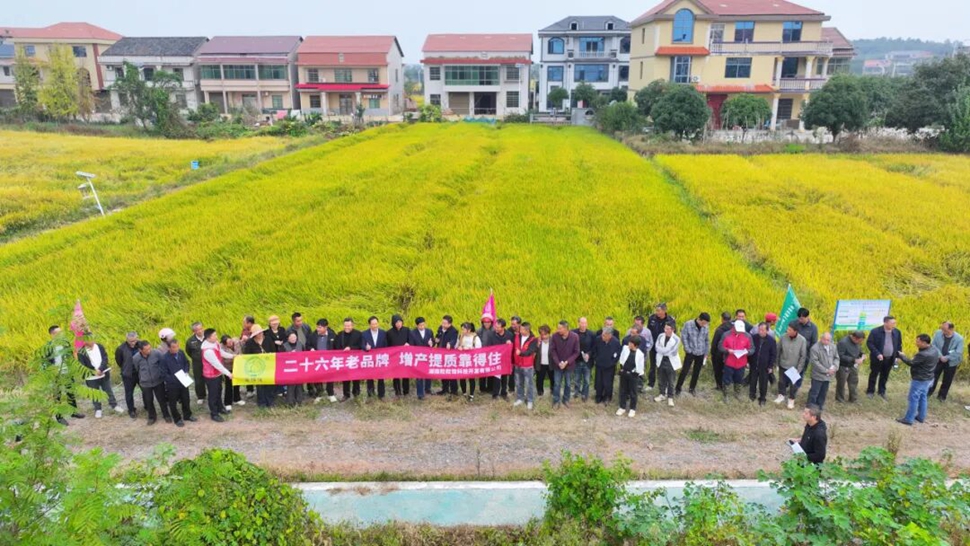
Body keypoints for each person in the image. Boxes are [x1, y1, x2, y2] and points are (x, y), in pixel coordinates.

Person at [896, 334, 940, 426]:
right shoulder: (934, 349)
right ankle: (921, 417)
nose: (916, 343)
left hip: (920, 379)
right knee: (923, 397)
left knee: (913, 398)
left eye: (918, 342)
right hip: (929, 378)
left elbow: (911, 363)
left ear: (924, 343)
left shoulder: (923, 354)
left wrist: (902, 356)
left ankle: (909, 419)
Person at [78, 335, 121, 418]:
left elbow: (105, 358)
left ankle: (114, 405)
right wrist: (94, 372)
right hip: (91, 377)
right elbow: (82, 365)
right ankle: (98, 409)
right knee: (94, 393)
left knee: (108, 390)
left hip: (103, 373)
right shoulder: (81, 352)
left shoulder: (99, 346)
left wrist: (101, 369)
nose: (92, 341)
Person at [132, 340, 170, 425]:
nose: (149, 350)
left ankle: (166, 415)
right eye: (147, 349)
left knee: (162, 399)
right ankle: (152, 417)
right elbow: (137, 369)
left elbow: (162, 364)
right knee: (149, 401)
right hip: (145, 384)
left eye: (150, 348)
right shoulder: (136, 358)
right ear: (140, 350)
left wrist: (160, 374)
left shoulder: (156, 353)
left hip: (158, 381)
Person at [160, 339, 195, 427]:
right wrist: (173, 379)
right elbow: (164, 373)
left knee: (186, 399)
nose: (176, 349)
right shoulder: (164, 358)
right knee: (173, 402)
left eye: (177, 346)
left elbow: (186, 363)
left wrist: (186, 371)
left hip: (183, 381)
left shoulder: (181, 353)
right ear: (169, 348)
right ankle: (177, 418)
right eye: (174, 347)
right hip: (172, 385)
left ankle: (187, 415)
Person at [866, 316, 902, 400]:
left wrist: (898, 356)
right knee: (874, 374)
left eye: (895, 323)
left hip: (890, 358)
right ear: (885, 323)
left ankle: (881, 391)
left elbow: (899, 345)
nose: (894, 325)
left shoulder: (897, 332)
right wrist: (877, 353)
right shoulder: (875, 331)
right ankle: (870, 391)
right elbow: (870, 343)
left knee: (885, 375)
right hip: (877, 358)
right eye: (892, 323)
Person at [201, 328, 233, 422]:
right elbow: (217, 364)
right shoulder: (208, 351)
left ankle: (220, 408)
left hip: (217, 374)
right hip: (211, 376)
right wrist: (228, 373)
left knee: (219, 391)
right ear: (208, 338)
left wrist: (232, 356)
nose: (216, 336)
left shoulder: (215, 343)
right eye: (214, 335)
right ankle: (214, 413)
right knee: (213, 395)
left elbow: (221, 353)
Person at [676, 313, 710, 396]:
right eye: (703, 323)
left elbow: (706, 340)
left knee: (696, 371)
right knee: (685, 370)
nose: (704, 325)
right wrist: (688, 349)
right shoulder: (688, 324)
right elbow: (684, 337)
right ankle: (678, 388)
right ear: (699, 319)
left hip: (701, 352)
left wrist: (706, 352)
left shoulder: (706, 327)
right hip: (690, 352)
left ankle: (692, 388)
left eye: (706, 323)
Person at [719, 320, 754, 401]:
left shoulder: (748, 336)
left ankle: (737, 394)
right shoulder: (726, 335)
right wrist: (728, 350)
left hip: (741, 363)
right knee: (726, 380)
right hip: (729, 362)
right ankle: (726, 395)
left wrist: (747, 352)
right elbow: (720, 346)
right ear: (734, 327)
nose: (740, 332)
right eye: (738, 330)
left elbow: (752, 348)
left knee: (739, 379)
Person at [775, 324, 808, 409]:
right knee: (781, 382)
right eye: (787, 329)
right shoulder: (783, 337)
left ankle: (791, 399)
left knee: (793, 384)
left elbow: (803, 356)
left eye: (790, 330)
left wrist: (799, 369)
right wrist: (777, 363)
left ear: (795, 331)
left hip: (794, 367)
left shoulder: (802, 340)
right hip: (783, 364)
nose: (787, 331)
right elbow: (778, 350)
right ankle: (781, 395)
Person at [929, 321, 963, 401]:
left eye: (944, 329)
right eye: (942, 329)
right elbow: (933, 345)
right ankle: (928, 392)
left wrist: (947, 357)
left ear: (951, 329)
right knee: (933, 376)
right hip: (938, 359)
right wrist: (940, 356)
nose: (943, 331)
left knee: (947, 379)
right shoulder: (938, 333)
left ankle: (942, 396)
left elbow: (958, 352)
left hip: (951, 362)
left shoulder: (959, 338)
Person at [550, 321, 579, 409]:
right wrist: (558, 362)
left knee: (568, 384)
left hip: (569, 366)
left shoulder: (575, 337)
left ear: (566, 329)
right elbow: (553, 350)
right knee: (557, 383)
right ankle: (556, 401)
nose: (558, 330)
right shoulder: (555, 336)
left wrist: (567, 362)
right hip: (557, 365)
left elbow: (576, 352)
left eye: (560, 328)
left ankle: (566, 399)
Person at [647, 304, 676, 389]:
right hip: (653, 346)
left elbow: (673, 333)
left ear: (664, 311)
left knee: (664, 366)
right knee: (652, 366)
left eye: (659, 310)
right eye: (656, 310)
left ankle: (664, 385)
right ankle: (651, 384)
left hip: (664, 347)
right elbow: (649, 331)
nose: (657, 312)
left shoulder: (670, 320)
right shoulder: (652, 318)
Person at [245, 324, 275, 409]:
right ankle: (261, 402)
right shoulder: (250, 342)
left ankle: (270, 401)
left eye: (261, 332)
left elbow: (273, 351)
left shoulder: (268, 339)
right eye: (258, 333)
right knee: (260, 384)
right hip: (257, 366)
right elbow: (247, 355)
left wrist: (269, 355)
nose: (260, 334)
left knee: (269, 383)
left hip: (268, 365)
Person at [306, 319, 336, 402]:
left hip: (329, 360)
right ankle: (319, 393)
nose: (318, 329)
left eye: (320, 327)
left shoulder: (332, 335)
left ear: (326, 327)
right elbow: (307, 345)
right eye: (317, 327)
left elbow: (336, 346)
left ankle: (330, 394)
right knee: (317, 377)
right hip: (317, 360)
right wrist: (311, 348)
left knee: (330, 377)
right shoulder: (313, 335)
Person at [807, 333, 838, 411]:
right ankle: (810, 407)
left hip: (828, 375)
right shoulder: (815, 348)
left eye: (828, 340)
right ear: (821, 338)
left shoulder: (833, 347)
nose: (826, 341)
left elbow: (836, 358)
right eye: (824, 339)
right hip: (818, 375)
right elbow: (815, 362)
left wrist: (835, 367)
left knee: (823, 392)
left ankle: (819, 407)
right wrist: (826, 371)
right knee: (814, 392)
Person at [749, 323, 777, 406]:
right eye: (759, 329)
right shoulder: (754, 338)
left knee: (763, 382)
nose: (760, 332)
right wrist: (748, 361)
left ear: (767, 331)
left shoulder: (771, 341)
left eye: (762, 330)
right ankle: (752, 395)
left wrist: (770, 366)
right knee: (753, 380)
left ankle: (762, 398)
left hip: (765, 366)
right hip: (754, 363)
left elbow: (773, 354)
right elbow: (750, 350)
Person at [114, 331, 141, 418]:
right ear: (127, 340)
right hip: (128, 375)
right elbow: (119, 361)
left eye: (134, 340)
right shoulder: (121, 349)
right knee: (129, 393)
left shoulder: (141, 345)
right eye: (130, 341)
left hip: (140, 373)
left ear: (137, 338)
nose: (133, 343)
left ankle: (148, 406)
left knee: (145, 391)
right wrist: (126, 368)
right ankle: (131, 410)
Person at [512, 322, 539, 410]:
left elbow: (530, 351)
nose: (520, 331)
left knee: (529, 383)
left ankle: (530, 400)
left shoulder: (533, 339)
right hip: (517, 364)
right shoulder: (517, 336)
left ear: (527, 330)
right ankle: (520, 398)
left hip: (527, 365)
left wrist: (521, 353)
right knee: (518, 383)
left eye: (522, 329)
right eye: (520, 329)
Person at [616, 336, 644, 417]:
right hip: (624, 372)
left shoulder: (640, 354)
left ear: (635, 345)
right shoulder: (625, 348)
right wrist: (621, 368)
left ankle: (632, 409)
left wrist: (635, 373)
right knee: (622, 390)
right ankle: (622, 407)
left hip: (633, 374)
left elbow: (640, 366)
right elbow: (622, 359)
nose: (629, 344)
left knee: (633, 392)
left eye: (631, 343)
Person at [335, 318, 363, 400]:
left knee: (356, 378)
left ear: (352, 325)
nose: (347, 327)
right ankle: (346, 394)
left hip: (355, 359)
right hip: (344, 359)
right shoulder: (340, 334)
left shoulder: (358, 334)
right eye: (345, 326)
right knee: (345, 378)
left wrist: (351, 348)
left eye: (349, 326)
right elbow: (336, 346)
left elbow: (360, 346)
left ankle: (356, 394)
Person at [653, 324, 681, 406]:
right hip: (661, 359)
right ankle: (662, 394)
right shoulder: (660, 336)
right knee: (661, 378)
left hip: (670, 361)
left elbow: (673, 351)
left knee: (671, 380)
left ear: (672, 329)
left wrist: (663, 351)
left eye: (668, 329)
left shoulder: (676, 339)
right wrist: (664, 351)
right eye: (665, 328)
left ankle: (670, 397)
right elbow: (657, 347)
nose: (665, 330)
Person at [592, 327, 621, 404]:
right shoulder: (598, 339)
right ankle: (598, 396)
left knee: (608, 382)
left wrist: (613, 362)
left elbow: (618, 353)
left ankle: (607, 397)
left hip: (610, 366)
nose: (602, 337)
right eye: (602, 335)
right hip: (599, 365)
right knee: (599, 381)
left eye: (604, 335)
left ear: (610, 335)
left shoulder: (616, 342)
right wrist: (596, 359)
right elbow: (594, 350)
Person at [362, 316, 388, 400]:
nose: (375, 326)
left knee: (381, 377)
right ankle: (370, 395)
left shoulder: (383, 333)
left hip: (380, 358)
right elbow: (361, 345)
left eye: (376, 323)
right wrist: (365, 347)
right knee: (370, 377)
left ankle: (381, 395)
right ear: (369, 325)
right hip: (370, 358)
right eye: (373, 324)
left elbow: (386, 345)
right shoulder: (364, 334)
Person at [836, 331, 866, 403]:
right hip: (843, 366)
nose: (860, 342)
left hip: (853, 366)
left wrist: (862, 355)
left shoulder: (857, 342)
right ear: (855, 338)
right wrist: (853, 359)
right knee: (841, 383)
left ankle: (853, 399)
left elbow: (859, 350)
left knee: (854, 382)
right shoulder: (843, 342)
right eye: (860, 341)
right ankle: (840, 399)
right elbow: (839, 356)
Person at [409, 317, 435, 400]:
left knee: (428, 372)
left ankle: (428, 389)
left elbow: (433, 341)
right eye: (420, 325)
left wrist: (432, 343)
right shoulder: (412, 333)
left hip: (428, 355)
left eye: (423, 324)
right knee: (419, 375)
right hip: (418, 356)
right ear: (417, 325)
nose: (422, 326)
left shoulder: (429, 331)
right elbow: (411, 345)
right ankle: (420, 393)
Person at [572, 317, 596, 403]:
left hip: (587, 361)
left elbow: (594, 347)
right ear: (578, 323)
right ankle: (576, 392)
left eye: (585, 323)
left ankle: (585, 394)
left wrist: (589, 354)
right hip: (577, 360)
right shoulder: (573, 333)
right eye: (582, 323)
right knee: (577, 379)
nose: (583, 325)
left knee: (587, 380)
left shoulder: (592, 334)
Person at [457, 322, 482, 401]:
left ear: (469, 330)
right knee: (462, 377)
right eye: (462, 329)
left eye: (463, 329)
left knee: (471, 378)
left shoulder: (475, 338)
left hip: (472, 360)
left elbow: (479, 349)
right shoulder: (461, 336)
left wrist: (471, 349)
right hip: (463, 359)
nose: (462, 331)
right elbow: (457, 345)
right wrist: (459, 347)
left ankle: (471, 395)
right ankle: (464, 393)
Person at [435, 316, 459, 396]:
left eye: (445, 323)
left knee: (451, 372)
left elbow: (454, 340)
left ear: (450, 324)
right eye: (442, 322)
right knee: (443, 372)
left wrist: (450, 344)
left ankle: (454, 391)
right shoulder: (440, 328)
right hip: (441, 353)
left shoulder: (454, 331)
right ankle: (445, 389)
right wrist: (436, 339)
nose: (443, 324)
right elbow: (437, 336)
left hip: (450, 355)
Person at [491, 318, 515, 400]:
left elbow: (513, 347)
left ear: (503, 327)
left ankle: (504, 393)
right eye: (495, 326)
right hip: (496, 358)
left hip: (505, 359)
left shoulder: (509, 335)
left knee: (504, 376)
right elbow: (489, 347)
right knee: (496, 377)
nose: (496, 328)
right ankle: (495, 394)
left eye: (498, 327)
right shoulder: (492, 334)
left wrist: (510, 344)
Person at [388, 315, 411, 397]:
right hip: (395, 356)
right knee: (396, 375)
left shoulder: (407, 330)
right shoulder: (389, 332)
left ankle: (406, 391)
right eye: (397, 322)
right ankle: (397, 391)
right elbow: (388, 345)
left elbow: (411, 340)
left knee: (405, 374)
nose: (398, 324)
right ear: (393, 323)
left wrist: (408, 343)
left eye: (400, 322)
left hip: (405, 356)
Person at [186, 322, 207, 406]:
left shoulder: (208, 337)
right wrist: (196, 358)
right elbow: (188, 352)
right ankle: (201, 396)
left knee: (211, 379)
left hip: (209, 363)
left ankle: (213, 393)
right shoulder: (190, 341)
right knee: (198, 380)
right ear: (194, 331)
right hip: (197, 363)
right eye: (197, 330)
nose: (200, 331)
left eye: (201, 329)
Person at [281, 332, 306, 406]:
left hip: (299, 367)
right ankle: (290, 402)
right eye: (291, 337)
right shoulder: (284, 346)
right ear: (288, 338)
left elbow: (305, 355)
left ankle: (299, 400)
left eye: (294, 337)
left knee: (299, 385)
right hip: (289, 368)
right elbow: (281, 358)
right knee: (291, 386)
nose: (293, 339)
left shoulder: (300, 344)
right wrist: (289, 354)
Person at [219, 335, 243, 409]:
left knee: (237, 382)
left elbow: (242, 349)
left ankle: (237, 399)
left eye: (230, 341)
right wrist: (234, 357)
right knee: (228, 384)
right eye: (228, 343)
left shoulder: (237, 342)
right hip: (228, 367)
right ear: (224, 344)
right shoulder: (221, 347)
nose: (230, 343)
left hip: (237, 366)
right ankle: (227, 402)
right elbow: (224, 358)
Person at [710, 312, 733, 391]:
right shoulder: (734, 329)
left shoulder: (719, 329)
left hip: (719, 354)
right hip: (730, 353)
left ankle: (719, 386)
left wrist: (712, 353)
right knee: (728, 370)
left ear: (722, 319)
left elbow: (715, 343)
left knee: (718, 370)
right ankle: (727, 386)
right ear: (730, 319)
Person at [477, 314, 497, 393]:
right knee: (482, 371)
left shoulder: (495, 330)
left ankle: (490, 388)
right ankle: (482, 388)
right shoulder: (479, 331)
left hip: (491, 354)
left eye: (488, 322)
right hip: (482, 354)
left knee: (491, 371)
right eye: (485, 322)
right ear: (482, 322)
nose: (486, 324)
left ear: (491, 322)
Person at [535, 325, 553, 397]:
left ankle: (553, 390)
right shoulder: (537, 340)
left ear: (549, 333)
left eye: (545, 334)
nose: (544, 336)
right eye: (542, 334)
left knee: (553, 378)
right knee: (539, 378)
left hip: (551, 363)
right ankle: (540, 392)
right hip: (540, 363)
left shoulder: (553, 340)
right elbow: (534, 351)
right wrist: (537, 345)